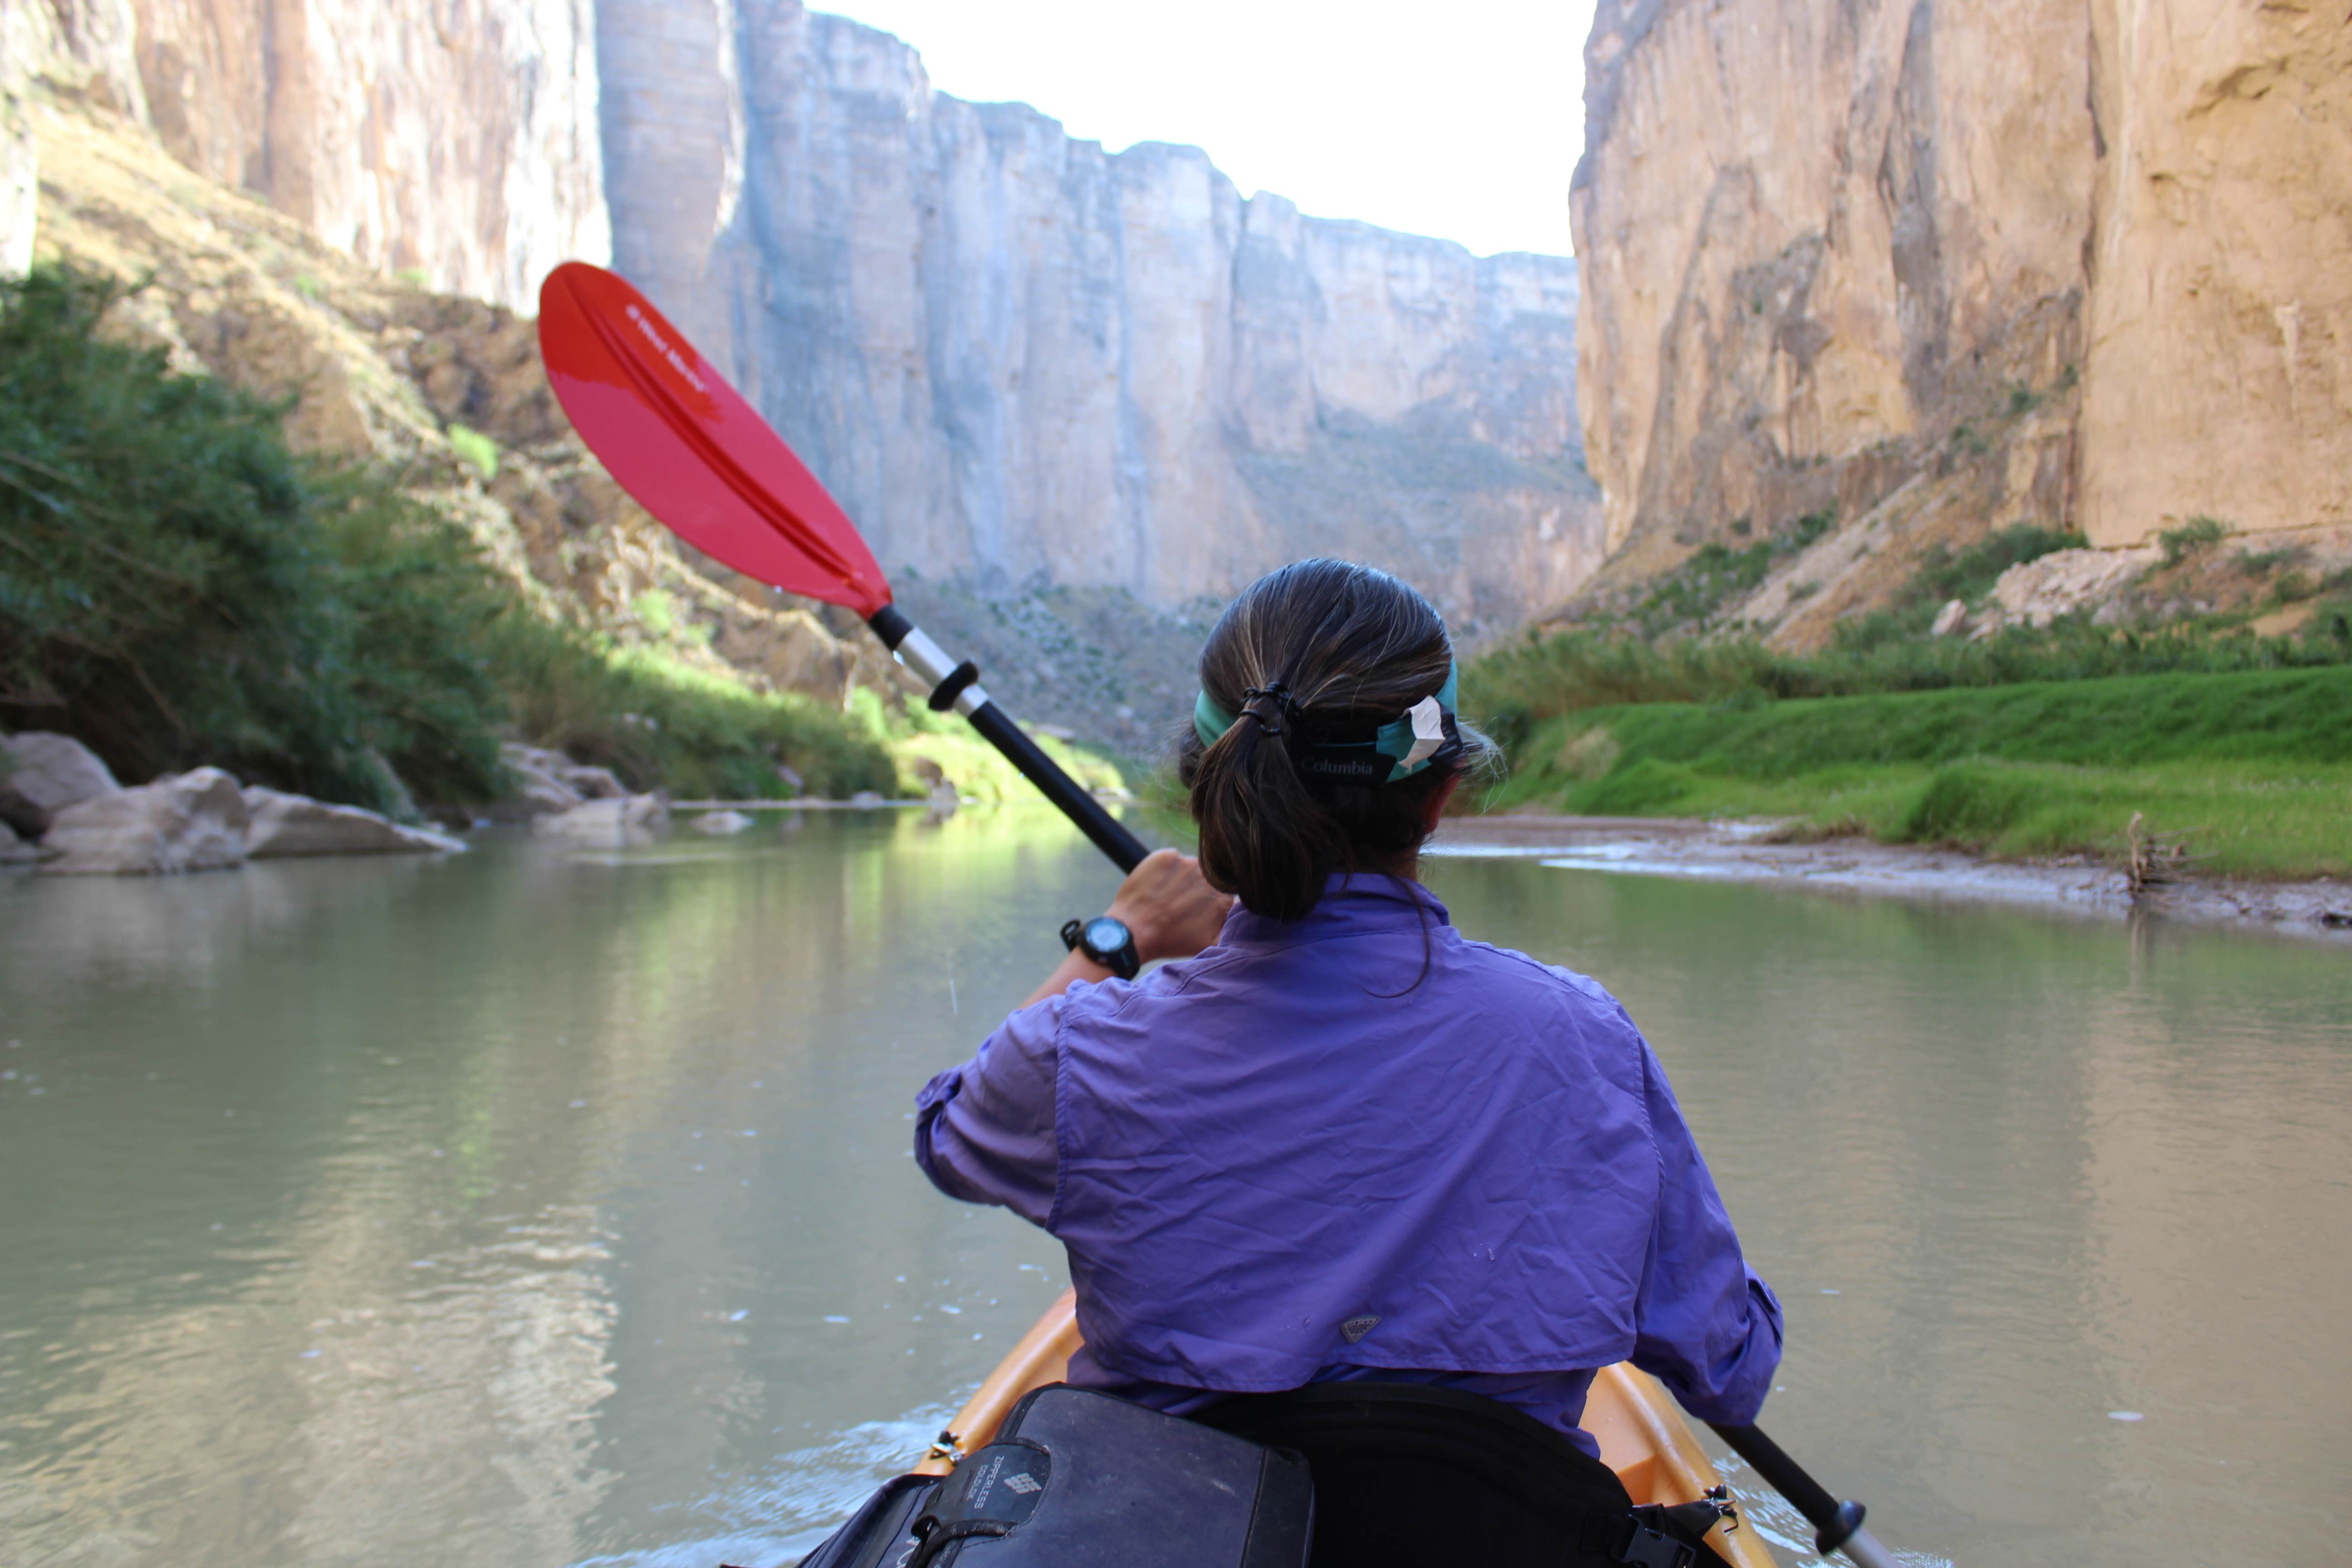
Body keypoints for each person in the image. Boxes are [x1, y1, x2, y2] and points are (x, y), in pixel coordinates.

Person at [913, 559, 1780, 1515]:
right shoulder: (1585, 1040)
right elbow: (1729, 1364)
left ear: (1210, 790)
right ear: (1441, 791)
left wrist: (1121, 940)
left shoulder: (1080, 1052)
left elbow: (952, 1136)